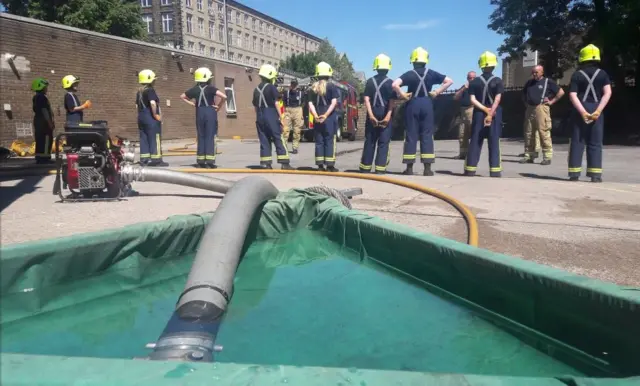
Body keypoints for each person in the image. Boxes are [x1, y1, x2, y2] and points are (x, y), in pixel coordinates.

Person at [392, 47, 453, 176]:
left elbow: (394, 85)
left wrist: (402, 94)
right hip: (427, 103)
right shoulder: (431, 73)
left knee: (411, 134)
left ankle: (409, 169)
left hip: (413, 103)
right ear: (425, 60)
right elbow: (449, 81)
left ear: (413, 61)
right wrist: (437, 92)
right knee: (427, 134)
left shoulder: (409, 74)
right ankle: (427, 168)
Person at [567, 44, 612, 183]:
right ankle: (595, 175)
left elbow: (573, 95)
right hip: (597, 108)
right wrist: (598, 110)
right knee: (595, 142)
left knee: (578, 141)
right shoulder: (603, 74)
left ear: (582, 57)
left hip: (581, 108)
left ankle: (574, 174)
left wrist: (583, 112)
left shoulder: (577, 75)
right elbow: (608, 93)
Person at [463, 51, 504, 178]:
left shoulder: (474, 82)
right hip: (495, 113)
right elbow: (497, 99)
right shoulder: (497, 81)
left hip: (479, 114)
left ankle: (470, 170)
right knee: (494, 141)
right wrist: (491, 111)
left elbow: (472, 100)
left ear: (481, 65)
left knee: (475, 140)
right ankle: (495, 171)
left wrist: (485, 110)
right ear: (494, 65)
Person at [180, 67, 227, 168]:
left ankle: (201, 161)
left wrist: (192, 104)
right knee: (210, 136)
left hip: (199, 112)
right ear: (207, 78)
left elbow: (182, 96)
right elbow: (224, 96)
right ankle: (209, 161)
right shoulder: (211, 88)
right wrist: (219, 106)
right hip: (210, 112)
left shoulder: (194, 89)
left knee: (201, 136)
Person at [520, 65, 565, 165]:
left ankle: (547, 157)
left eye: (536, 72)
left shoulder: (547, 82)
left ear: (542, 72)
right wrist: (526, 104)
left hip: (541, 108)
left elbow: (561, 92)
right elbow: (523, 94)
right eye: (533, 72)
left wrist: (552, 102)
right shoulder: (529, 83)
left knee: (543, 132)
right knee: (529, 133)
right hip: (530, 108)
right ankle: (529, 155)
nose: (534, 74)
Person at [359, 53, 396, 174]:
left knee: (370, 141)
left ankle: (365, 168)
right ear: (388, 67)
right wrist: (387, 117)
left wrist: (371, 116)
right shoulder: (391, 83)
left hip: (373, 112)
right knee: (383, 142)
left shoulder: (370, 82)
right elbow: (391, 102)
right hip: (385, 113)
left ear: (376, 66)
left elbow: (366, 100)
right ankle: (380, 169)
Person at [252, 64, 292, 170]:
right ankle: (284, 163)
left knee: (264, 140)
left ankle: (266, 163)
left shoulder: (256, 89)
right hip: (271, 115)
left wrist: (259, 117)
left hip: (260, 116)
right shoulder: (271, 88)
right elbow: (276, 103)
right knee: (278, 138)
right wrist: (282, 117)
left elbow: (255, 107)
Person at [308, 61, 340, 172]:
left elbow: (310, 104)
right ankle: (330, 165)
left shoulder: (313, 88)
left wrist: (316, 116)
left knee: (319, 141)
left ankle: (320, 165)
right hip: (329, 117)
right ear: (328, 73)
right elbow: (334, 102)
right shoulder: (331, 86)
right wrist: (326, 115)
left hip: (317, 116)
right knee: (330, 140)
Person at [136, 69, 168, 167]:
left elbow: (137, 106)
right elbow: (153, 103)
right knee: (155, 138)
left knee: (144, 138)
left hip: (141, 116)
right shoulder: (150, 90)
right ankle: (156, 160)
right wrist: (155, 115)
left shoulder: (139, 92)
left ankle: (144, 159)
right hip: (150, 117)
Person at [31, 78, 55, 164]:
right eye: (45, 87)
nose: (46, 89)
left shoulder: (36, 97)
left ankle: (39, 157)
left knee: (40, 139)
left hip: (38, 121)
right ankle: (45, 158)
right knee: (46, 139)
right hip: (44, 123)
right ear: (41, 87)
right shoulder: (42, 97)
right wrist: (50, 123)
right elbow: (44, 111)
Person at [453, 71, 476, 159]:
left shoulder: (477, 87)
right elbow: (455, 97)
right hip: (463, 111)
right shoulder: (464, 87)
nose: (471, 79)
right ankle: (462, 154)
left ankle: (472, 154)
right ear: (467, 78)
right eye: (470, 78)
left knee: (473, 133)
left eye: (473, 78)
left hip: (472, 109)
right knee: (462, 134)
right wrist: (463, 89)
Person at [282, 79, 304, 154]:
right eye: (292, 84)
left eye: (295, 84)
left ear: (297, 85)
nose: (294, 86)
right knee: (285, 129)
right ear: (291, 85)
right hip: (288, 110)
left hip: (298, 110)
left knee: (297, 130)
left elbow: (304, 103)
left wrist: (300, 112)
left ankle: (295, 147)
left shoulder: (301, 93)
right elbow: (284, 103)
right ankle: (284, 147)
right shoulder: (286, 93)